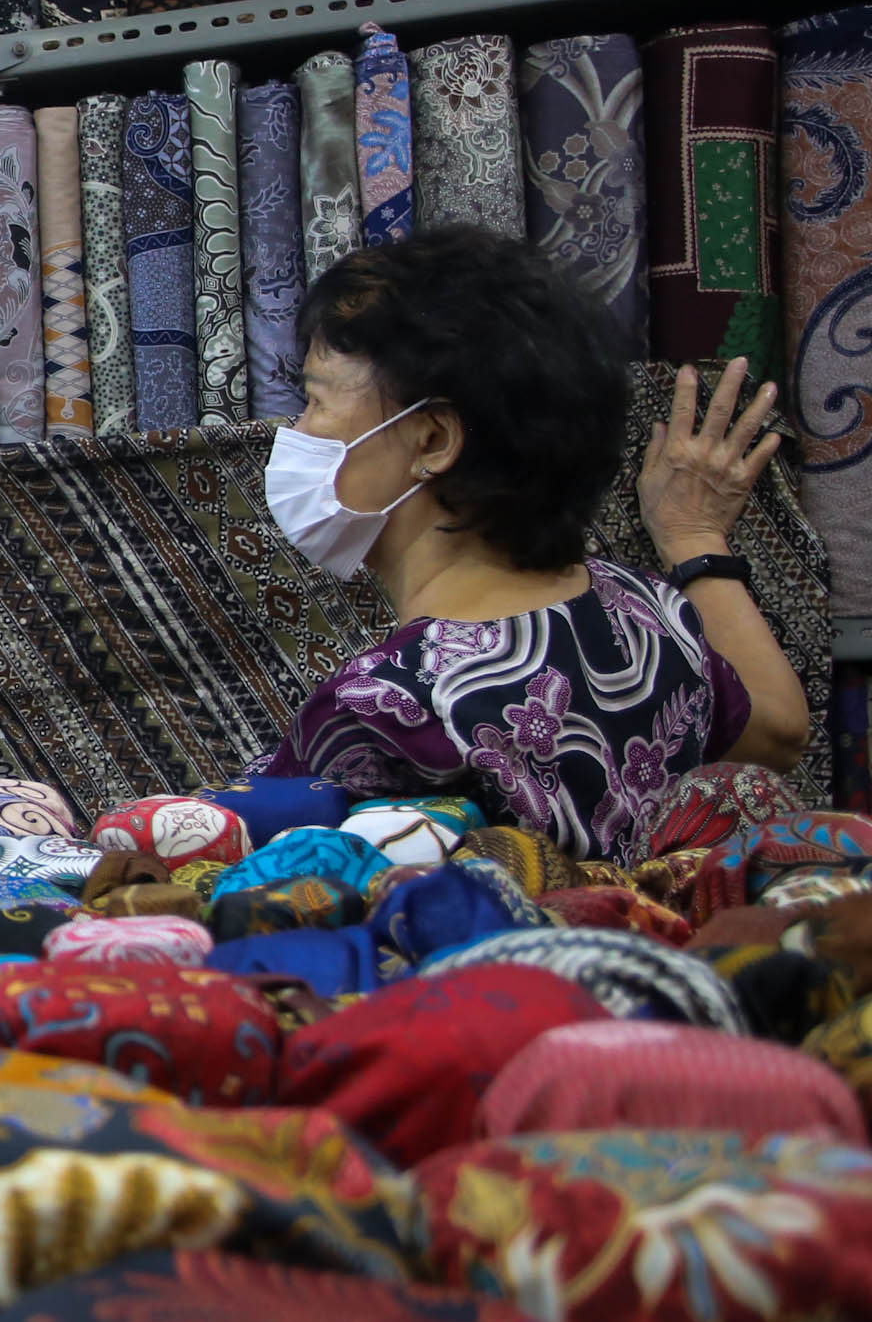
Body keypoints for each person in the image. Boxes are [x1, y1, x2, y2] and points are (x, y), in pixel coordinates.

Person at [252, 228, 807, 861]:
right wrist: (694, 537)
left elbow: (288, 897)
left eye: (315, 401)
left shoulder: (386, 707)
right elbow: (777, 733)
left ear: (433, 440)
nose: (296, 432)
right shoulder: (652, 610)